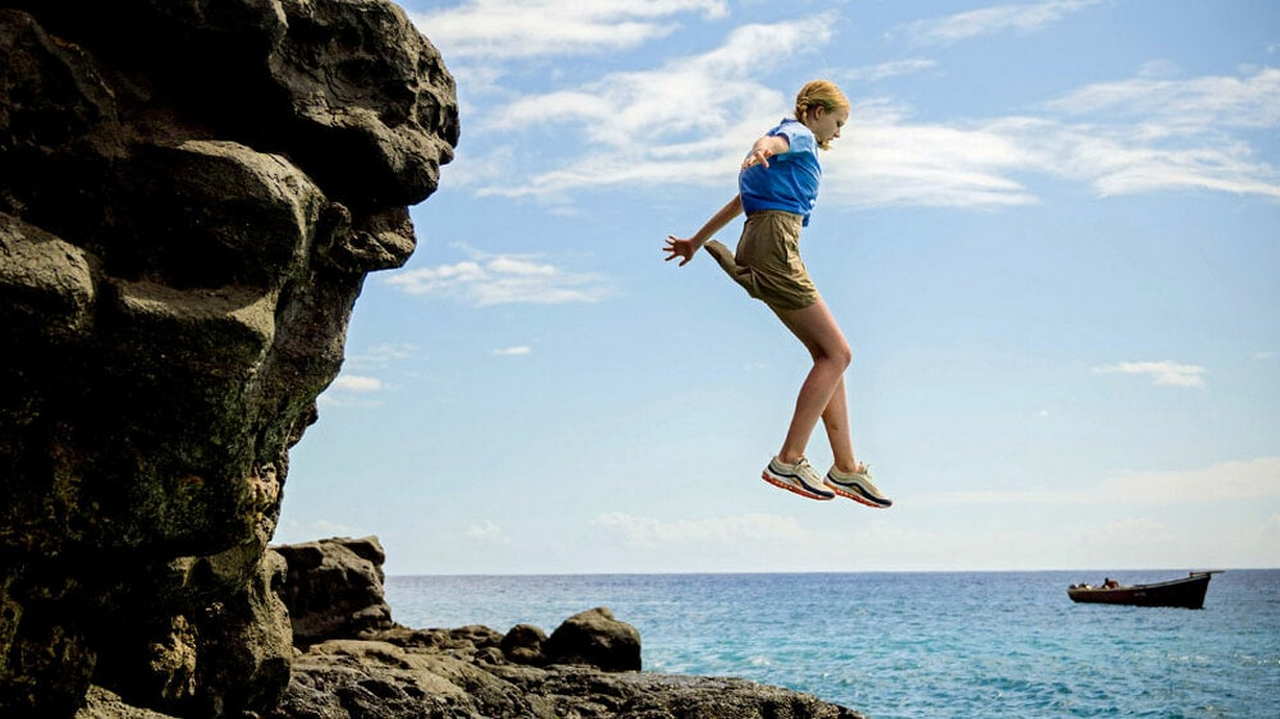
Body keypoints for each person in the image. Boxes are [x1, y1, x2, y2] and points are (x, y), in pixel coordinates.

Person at [662, 80, 891, 509]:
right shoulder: (797, 134)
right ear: (816, 112)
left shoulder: (785, 157)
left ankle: (846, 467)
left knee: (829, 355)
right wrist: (764, 147)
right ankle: (789, 459)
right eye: (838, 123)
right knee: (839, 355)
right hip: (775, 243)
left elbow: (741, 201)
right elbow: (774, 141)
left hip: (762, 237)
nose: (838, 133)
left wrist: (696, 240)